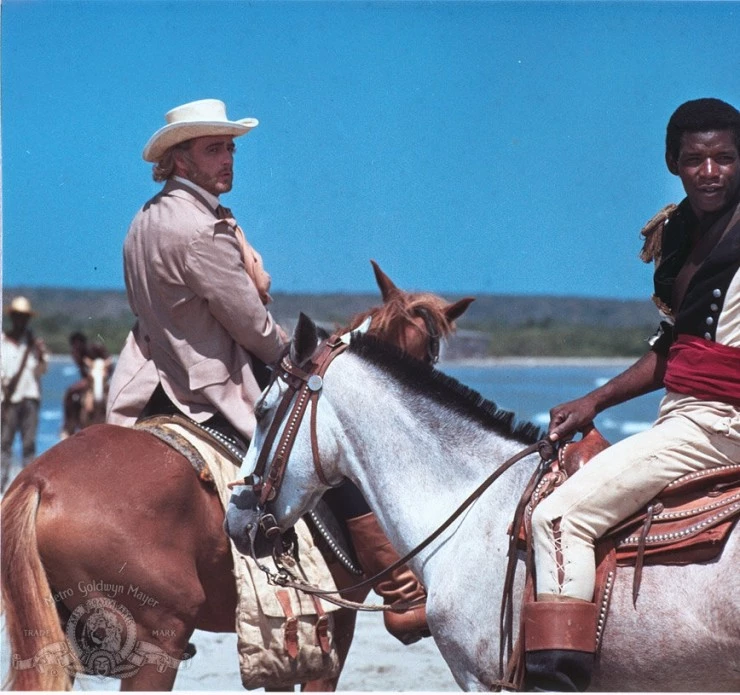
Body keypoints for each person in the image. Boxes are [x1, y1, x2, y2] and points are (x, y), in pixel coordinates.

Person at [105, 98, 428, 642]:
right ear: (180, 160)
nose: (228, 159)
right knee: (331, 445)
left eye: (230, 148)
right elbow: (251, 327)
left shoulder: (145, 218)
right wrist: (300, 356)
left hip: (147, 377)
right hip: (210, 380)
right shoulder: (200, 228)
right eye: (214, 149)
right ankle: (400, 588)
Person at [524, 97, 740, 691]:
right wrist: (595, 401)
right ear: (673, 162)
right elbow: (675, 348)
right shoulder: (678, 233)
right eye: (696, 160)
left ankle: (561, 682)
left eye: (725, 158)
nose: (711, 172)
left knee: (557, 518)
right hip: (684, 418)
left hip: (718, 426)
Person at [1, 296, 49, 489]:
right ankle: (2, 484)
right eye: (18, 316)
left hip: (30, 398)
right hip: (9, 400)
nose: (21, 320)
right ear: (12, 317)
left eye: (24, 317)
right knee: (5, 443)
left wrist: (40, 353)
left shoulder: (33, 343)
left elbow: (42, 369)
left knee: (29, 444)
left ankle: (27, 488)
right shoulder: (3, 342)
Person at [61, 331, 112, 438]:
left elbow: (109, 363)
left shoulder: (96, 348)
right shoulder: (77, 354)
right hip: (88, 380)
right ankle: (69, 424)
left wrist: (102, 373)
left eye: (78, 344)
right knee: (71, 393)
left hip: (101, 378)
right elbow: (83, 372)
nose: (76, 347)